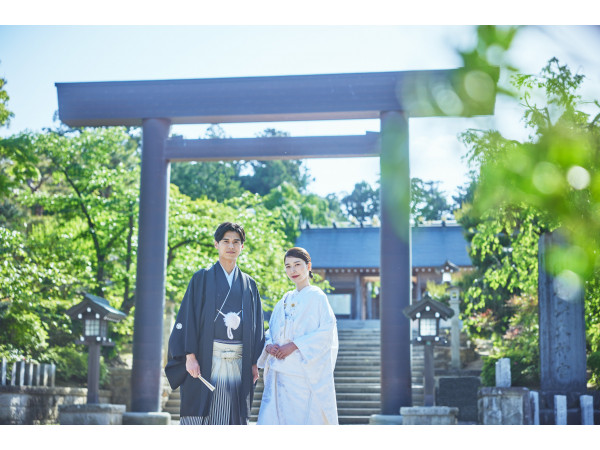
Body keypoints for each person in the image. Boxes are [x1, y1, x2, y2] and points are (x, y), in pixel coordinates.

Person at [164, 222, 265, 425]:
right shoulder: (201, 279)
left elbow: (256, 327)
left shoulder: (249, 284)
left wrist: (255, 363)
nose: (231, 246)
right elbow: (187, 318)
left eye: (236, 242)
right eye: (226, 241)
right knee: (201, 412)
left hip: (239, 362)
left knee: (232, 414)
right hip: (204, 358)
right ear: (216, 244)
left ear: (242, 247)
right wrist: (189, 356)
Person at [256, 247, 339, 425]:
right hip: (279, 372)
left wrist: (294, 346)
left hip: (302, 374)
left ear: (308, 266)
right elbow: (273, 330)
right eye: (288, 266)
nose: (292, 270)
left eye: (297, 265)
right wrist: (269, 345)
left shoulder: (317, 297)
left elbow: (326, 331)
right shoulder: (284, 299)